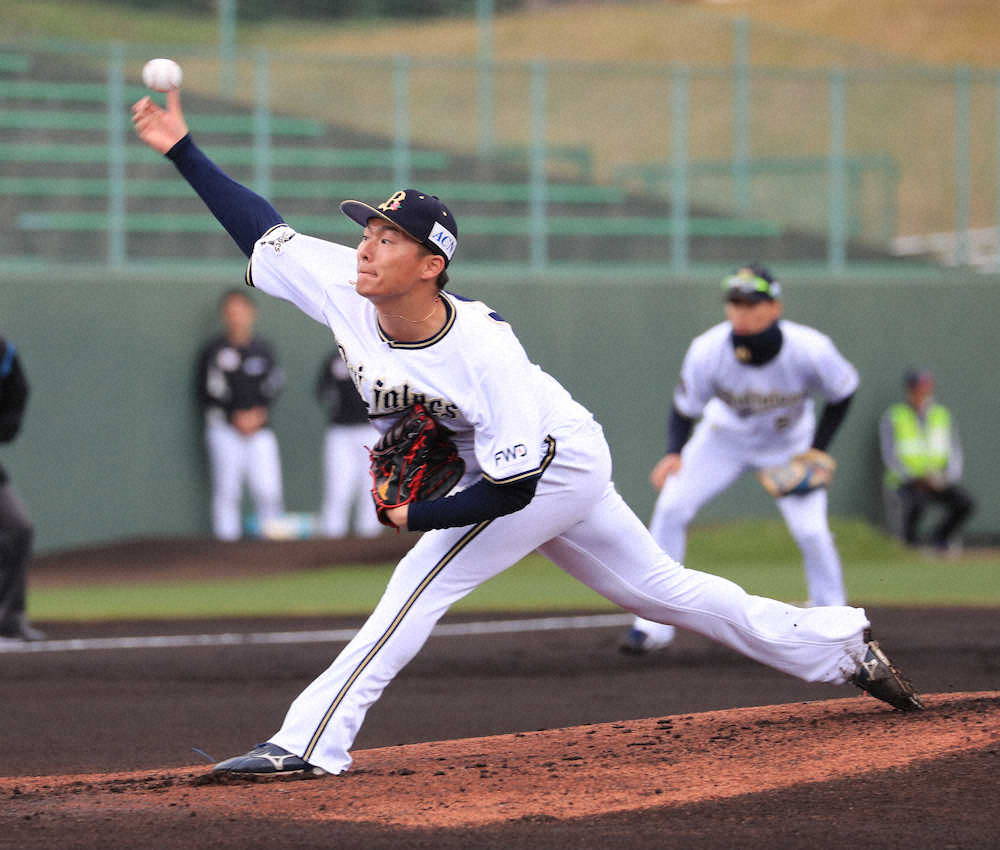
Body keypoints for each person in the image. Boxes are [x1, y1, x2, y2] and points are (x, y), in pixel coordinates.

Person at [131, 86, 923, 779]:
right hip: (525, 458)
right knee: (665, 592)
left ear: (431, 265)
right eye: (367, 230)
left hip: (547, 463)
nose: (366, 245)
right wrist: (183, 150)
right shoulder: (347, 281)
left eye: (387, 237)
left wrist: (419, 517)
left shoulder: (483, 350)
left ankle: (309, 741)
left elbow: (509, 487)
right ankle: (839, 644)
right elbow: (260, 230)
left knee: (418, 583)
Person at [620, 265, 859, 655]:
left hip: (789, 445)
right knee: (671, 507)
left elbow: (843, 391)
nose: (740, 312)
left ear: (775, 307)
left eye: (751, 303)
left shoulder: (810, 348)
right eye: (734, 302)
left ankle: (836, 626)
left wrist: (818, 448)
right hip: (722, 440)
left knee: (812, 532)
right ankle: (652, 625)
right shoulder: (708, 349)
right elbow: (684, 407)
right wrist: (673, 453)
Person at [197, 288, 286, 540]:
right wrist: (234, 415)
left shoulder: (263, 349)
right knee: (228, 492)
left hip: (260, 429)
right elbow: (207, 390)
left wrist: (257, 415)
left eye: (241, 311)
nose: (236, 317)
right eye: (231, 312)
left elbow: (274, 385)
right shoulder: (214, 351)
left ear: (252, 313)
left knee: (268, 489)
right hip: (224, 429)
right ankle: (228, 551)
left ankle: (274, 547)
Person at [880, 368, 974, 552]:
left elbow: (954, 450)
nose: (922, 393)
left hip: (938, 480)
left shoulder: (942, 415)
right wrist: (914, 477)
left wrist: (947, 477)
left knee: (965, 503)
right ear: (909, 389)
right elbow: (889, 455)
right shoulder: (894, 416)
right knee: (917, 503)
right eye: (918, 388)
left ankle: (940, 539)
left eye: (926, 388)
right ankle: (910, 545)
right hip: (907, 482)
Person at [0, 337, 44, 642]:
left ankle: (10, 618)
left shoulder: (3, 350)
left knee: (19, 528)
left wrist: (6, 426)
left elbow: (18, 392)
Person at [316, 347, 382, 538]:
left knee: (371, 492)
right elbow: (323, 391)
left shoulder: (378, 356)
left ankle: (368, 544)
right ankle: (332, 541)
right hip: (341, 431)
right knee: (338, 490)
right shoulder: (335, 359)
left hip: (373, 431)